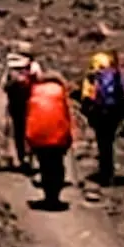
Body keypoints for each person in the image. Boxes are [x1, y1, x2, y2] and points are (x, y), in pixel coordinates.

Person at [20, 66, 77, 209]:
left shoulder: (35, 90)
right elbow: (66, 114)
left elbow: (29, 114)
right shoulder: (60, 91)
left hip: (39, 134)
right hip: (58, 134)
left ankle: (48, 196)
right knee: (57, 164)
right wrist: (69, 135)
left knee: (45, 165)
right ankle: (55, 195)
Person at [85, 49, 124, 187]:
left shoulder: (98, 76)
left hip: (100, 112)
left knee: (103, 143)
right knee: (109, 142)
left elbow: (90, 96)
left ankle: (104, 172)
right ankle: (109, 173)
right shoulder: (119, 77)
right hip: (115, 113)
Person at [0, 51, 40, 171]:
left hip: (15, 104)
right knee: (31, 130)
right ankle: (30, 156)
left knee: (18, 130)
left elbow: (3, 85)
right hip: (31, 104)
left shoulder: (11, 66)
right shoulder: (34, 66)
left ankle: (21, 157)